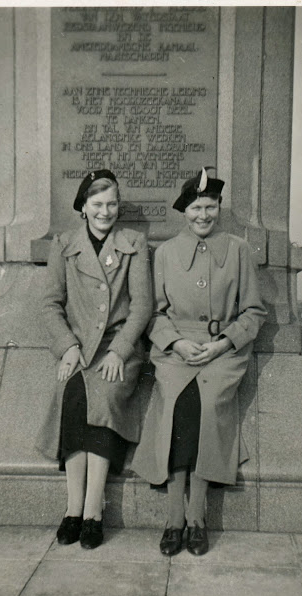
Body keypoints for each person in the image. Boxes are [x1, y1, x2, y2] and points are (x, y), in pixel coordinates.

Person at [131, 167, 267, 556]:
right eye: (195, 208)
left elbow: (254, 313)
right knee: (179, 406)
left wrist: (224, 344)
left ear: (219, 207)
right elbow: (154, 315)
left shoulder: (239, 250)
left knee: (206, 405)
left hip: (223, 353)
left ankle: (196, 517)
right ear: (183, 211)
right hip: (177, 354)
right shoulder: (167, 253)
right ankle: (174, 518)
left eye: (209, 207)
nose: (203, 215)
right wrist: (176, 343)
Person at [36, 169, 152, 549]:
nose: (106, 211)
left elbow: (142, 307)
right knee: (73, 394)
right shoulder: (64, 244)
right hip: (79, 348)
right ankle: (72, 509)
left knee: (103, 396)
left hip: (118, 349)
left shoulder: (134, 242)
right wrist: (67, 346)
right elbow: (50, 304)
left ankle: (93, 510)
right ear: (83, 207)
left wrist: (120, 350)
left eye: (112, 204)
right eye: (97, 204)